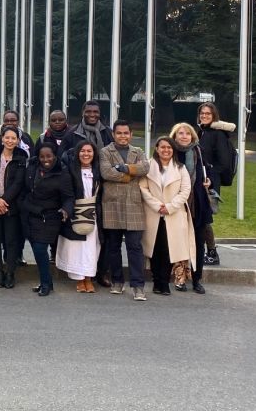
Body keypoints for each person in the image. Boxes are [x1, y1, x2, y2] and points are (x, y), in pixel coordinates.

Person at [99, 120, 151, 301]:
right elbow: (106, 173)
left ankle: (138, 285)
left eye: (126, 133)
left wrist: (124, 168)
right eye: (119, 133)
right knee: (113, 247)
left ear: (130, 134)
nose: (122, 136)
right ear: (113, 134)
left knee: (135, 247)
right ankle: (117, 281)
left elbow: (145, 168)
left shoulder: (138, 152)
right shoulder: (105, 152)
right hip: (112, 204)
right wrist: (130, 175)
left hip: (133, 205)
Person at [140, 136, 195, 297]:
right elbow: (143, 188)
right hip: (153, 213)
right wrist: (157, 206)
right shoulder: (149, 166)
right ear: (157, 148)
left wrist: (170, 207)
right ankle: (157, 282)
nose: (166, 150)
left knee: (168, 250)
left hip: (173, 215)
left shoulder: (180, 168)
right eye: (162, 147)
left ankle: (164, 283)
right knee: (155, 249)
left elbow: (185, 190)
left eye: (169, 148)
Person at [55, 140, 103, 293]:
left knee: (91, 248)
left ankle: (89, 278)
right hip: (76, 213)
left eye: (89, 151)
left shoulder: (98, 171)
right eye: (82, 151)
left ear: (94, 154)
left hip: (93, 214)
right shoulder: (70, 170)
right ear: (77, 153)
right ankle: (79, 279)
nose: (86, 154)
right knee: (76, 247)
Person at [20, 143, 68, 297]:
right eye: (42, 156)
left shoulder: (62, 174)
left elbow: (69, 197)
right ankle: (46, 281)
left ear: (55, 156)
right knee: (37, 251)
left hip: (50, 216)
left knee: (41, 249)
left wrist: (67, 209)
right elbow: (26, 188)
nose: (45, 159)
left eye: (49, 156)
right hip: (31, 214)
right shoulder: (32, 169)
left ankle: (46, 284)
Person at [171, 122, 212, 294]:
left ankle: (197, 279)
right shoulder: (169, 152)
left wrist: (209, 181)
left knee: (198, 243)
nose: (184, 136)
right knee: (178, 242)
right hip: (178, 203)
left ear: (192, 136)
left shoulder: (198, 152)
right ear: (175, 136)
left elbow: (209, 171)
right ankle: (179, 278)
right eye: (180, 133)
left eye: (187, 133)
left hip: (198, 203)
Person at [0, 126, 27, 289]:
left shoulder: (22, 156)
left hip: (11, 206)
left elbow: (18, 182)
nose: (10, 141)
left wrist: (4, 200)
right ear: (2, 138)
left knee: (11, 241)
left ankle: (10, 273)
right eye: (7, 137)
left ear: (18, 140)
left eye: (13, 138)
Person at [197, 102, 235, 265]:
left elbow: (224, 163)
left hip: (210, 181)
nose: (204, 116)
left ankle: (212, 252)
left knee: (205, 218)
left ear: (214, 116)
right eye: (202, 113)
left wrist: (211, 177)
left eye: (208, 113)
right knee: (199, 216)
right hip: (199, 179)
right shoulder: (202, 132)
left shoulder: (217, 134)